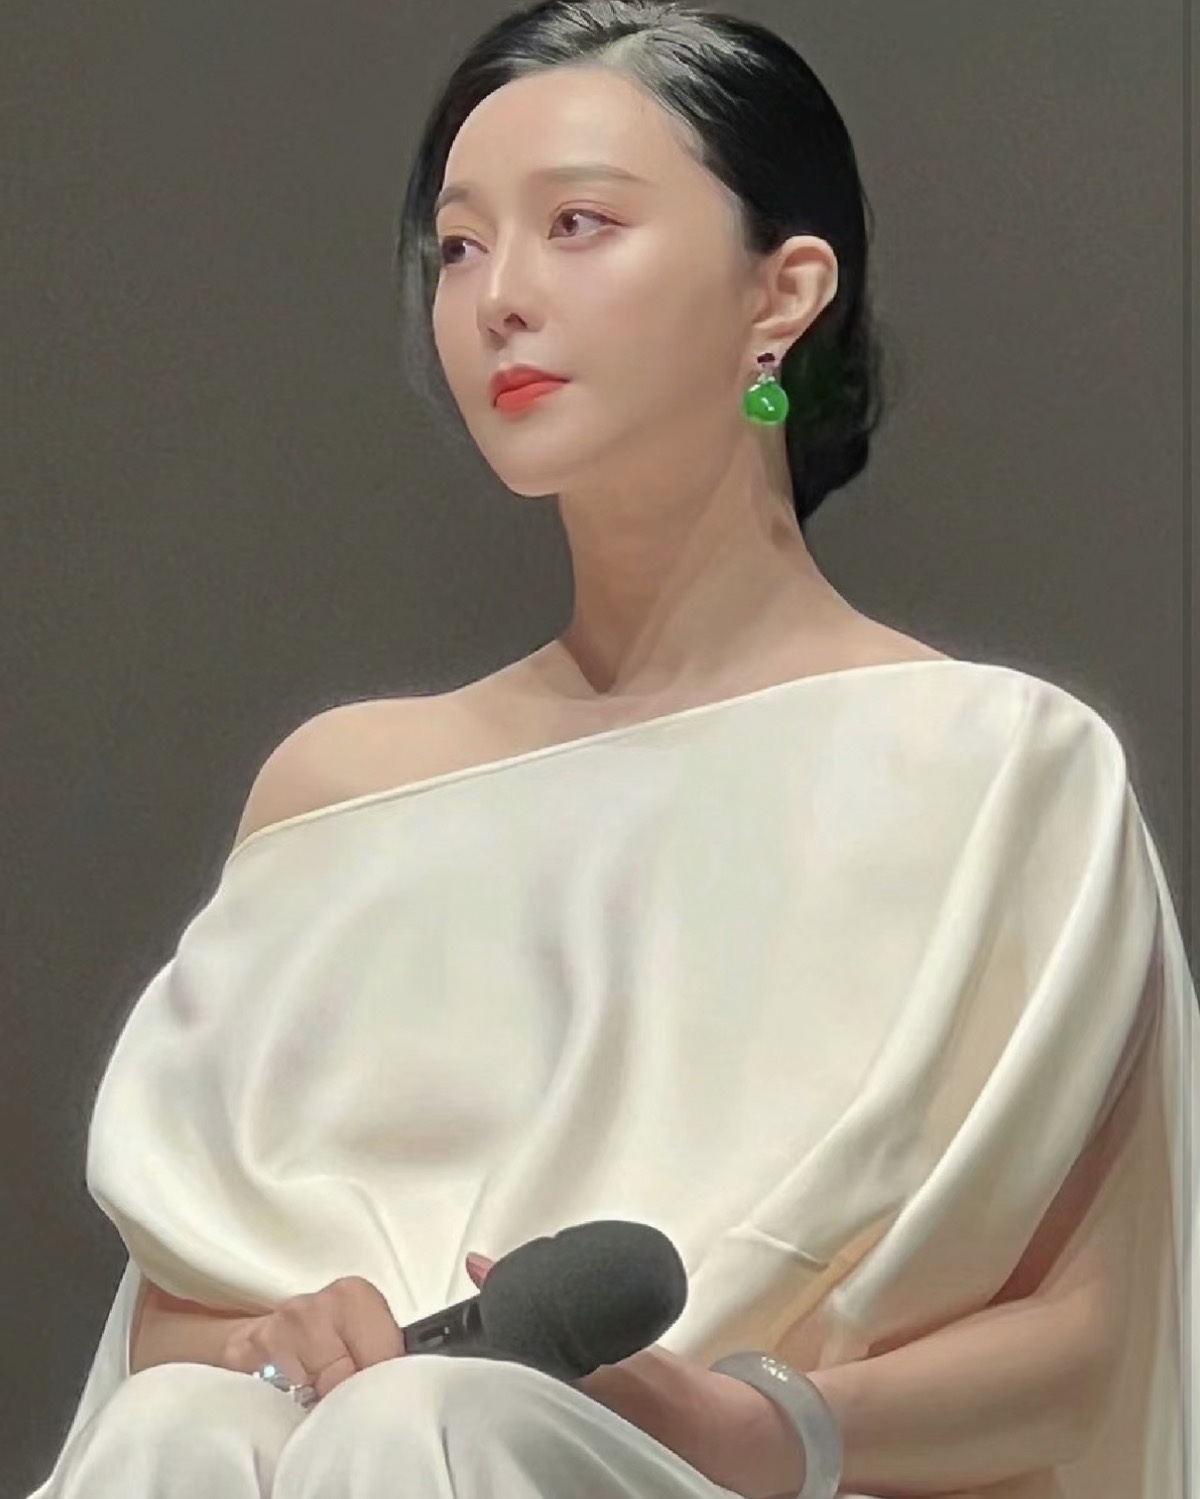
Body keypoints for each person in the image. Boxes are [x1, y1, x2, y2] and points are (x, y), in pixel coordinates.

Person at [27, 2, 1197, 1496]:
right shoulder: (339, 796)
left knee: (425, 1428)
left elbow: (1094, 1337)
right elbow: (175, 1313)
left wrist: (758, 1426)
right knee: (186, 1432)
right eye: (460, 247)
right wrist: (279, 1335)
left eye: (577, 224)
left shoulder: (994, 772)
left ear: (784, 292)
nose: (500, 297)